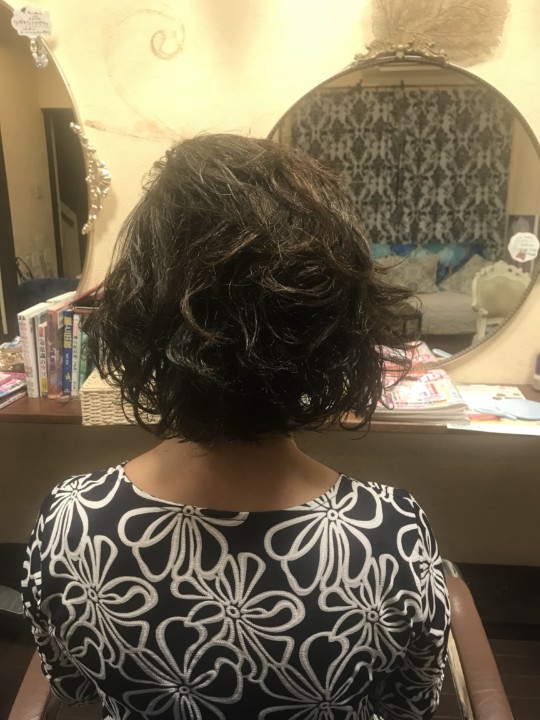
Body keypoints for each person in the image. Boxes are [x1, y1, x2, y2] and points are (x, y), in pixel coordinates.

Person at [22, 134, 450, 719]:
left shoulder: (71, 521)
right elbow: (408, 704)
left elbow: (74, 685)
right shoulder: (390, 536)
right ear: (334, 331)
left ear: (141, 316)